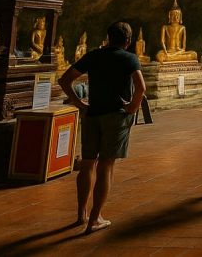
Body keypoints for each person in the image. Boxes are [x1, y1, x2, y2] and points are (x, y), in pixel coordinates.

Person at [59, 21, 146, 234]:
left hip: (92, 114)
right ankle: (95, 218)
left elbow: (64, 80)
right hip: (115, 116)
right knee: (105, 165)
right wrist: (132, 109)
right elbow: (141, 88)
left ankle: (82, 213)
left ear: (108, 38)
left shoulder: (94, 55)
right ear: (128, 41)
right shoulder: (129, 58)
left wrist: (79, 103)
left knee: (88, 164)